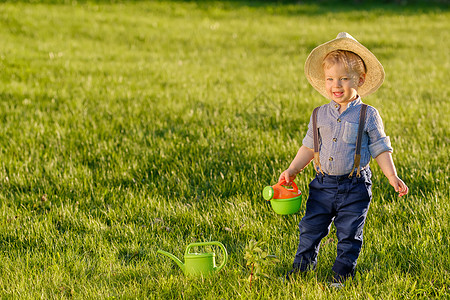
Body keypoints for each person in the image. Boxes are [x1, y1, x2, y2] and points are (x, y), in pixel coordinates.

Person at [279, 32, 408, 284]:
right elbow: (308, 146)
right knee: (310, 228)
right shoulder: (319, 115)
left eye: (343, 79)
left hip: (355, 185)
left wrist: (391, 175)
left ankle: (341, 275)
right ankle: (302, 269)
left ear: (359, 80)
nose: (335, 85)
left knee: (349, 233)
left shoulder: (367, 115)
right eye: (330, 79)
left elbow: (381, 147)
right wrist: (293, 169)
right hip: (322, 184)